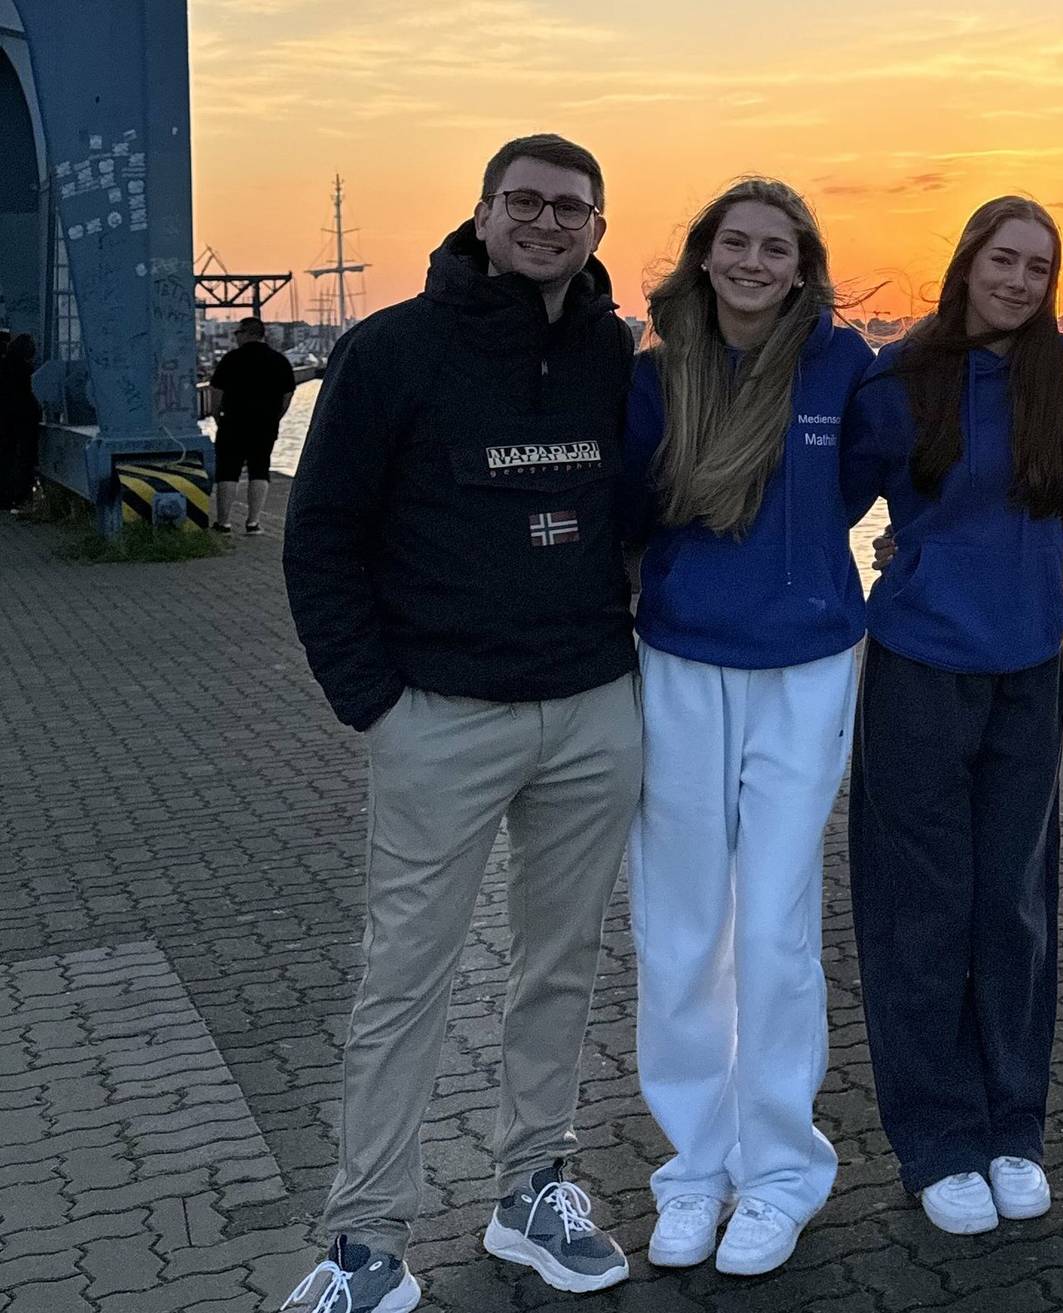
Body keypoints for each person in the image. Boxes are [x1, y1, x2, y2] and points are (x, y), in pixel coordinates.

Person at [279, 134, 640, 1313]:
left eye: (570, 208)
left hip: (590, 707)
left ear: (598, 225)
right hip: (440, 715)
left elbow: (642, 505)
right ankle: (366, 1240)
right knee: (405, 978)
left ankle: (533, 1185)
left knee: (562, 964)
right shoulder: (390, 352)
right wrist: (375, 700)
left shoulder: (610, 354)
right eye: (524, 203)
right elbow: (320, 531)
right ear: (481, 214)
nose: (546, 223)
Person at [619, 178, 873, 1277]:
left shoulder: (843, 368)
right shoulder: (651, 375)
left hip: (807, 667)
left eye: (778, 247)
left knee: (773, 926)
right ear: (704, 254)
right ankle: (692, 1169)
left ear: (804, 264)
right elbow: (625, 507)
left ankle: (779, 1173)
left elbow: (860, 487)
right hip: (677, 656)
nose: (756, 261)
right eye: (738, 242)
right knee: (679, 929)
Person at [840, 195, 1063, 1237]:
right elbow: (828, 505)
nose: (1020, 281)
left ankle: (1014, 1126)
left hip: (1030, 662)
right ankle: (939, 1137)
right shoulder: (900, 374)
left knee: (1017, 907)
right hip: (918, 664)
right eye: (1005, 260)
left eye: (1040, 268)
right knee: (922, 910)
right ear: (967, 262)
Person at [207, 316, 297, 533]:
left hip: (233, 423)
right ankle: (253, 522)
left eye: (238, 333)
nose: (236, 338)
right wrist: (276, 417)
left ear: (246, 333)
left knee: (228, 471)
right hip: (265, 425)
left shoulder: (231, 359)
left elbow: (216, 392)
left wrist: (217, 416)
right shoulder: (279, 361)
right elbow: (288, 395)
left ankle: (224, 522)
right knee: (260, 469)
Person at [2, 332, 39, 515]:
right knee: (24, 457)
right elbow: (31, 396)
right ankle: (19, 497)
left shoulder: (3, 365)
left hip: (4, 417)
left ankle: (4, 497)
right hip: (23, 419)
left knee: (5, 455)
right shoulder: (27, 370)